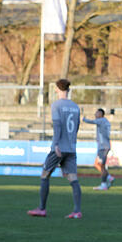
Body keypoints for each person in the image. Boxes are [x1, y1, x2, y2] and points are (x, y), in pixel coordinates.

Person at [27, 79, 82, 219]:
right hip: (71, 148)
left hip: (59, 147)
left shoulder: (56, 105)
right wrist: (72, 143)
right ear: (68, 90)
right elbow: (76, 127)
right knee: (73, 179)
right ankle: (77, 211)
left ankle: (41, 209)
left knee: (45, 174)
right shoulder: (75, 107)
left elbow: (57, 125)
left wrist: (56, 144)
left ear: (57, 89)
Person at [83, 108, 114, 190]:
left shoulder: (101, 120)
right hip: (104, 146)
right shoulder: (105, 121)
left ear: (100, 114)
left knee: (101, 166)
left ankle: (104, 184)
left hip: (103, 147)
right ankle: (109, 178)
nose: (95, 114)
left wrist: (83, 119)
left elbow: (91, 121)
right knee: (99, 164)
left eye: (96, 113)